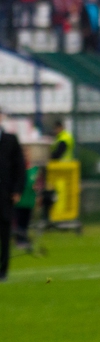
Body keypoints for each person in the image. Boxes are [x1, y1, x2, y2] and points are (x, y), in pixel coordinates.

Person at [0, 112, 26, 281]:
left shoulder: (11, 140)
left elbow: (20, 167)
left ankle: (3, 270)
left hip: (5, 195)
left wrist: (17, 190)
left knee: (4, 233)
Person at [13, 158, 38, 249]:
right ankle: (19, 240)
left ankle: (23, 239)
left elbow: (38, 183)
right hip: (20, 201)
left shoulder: (35, 169)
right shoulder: (18, 169)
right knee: (19, 221)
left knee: (25, 221)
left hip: (29, 201)